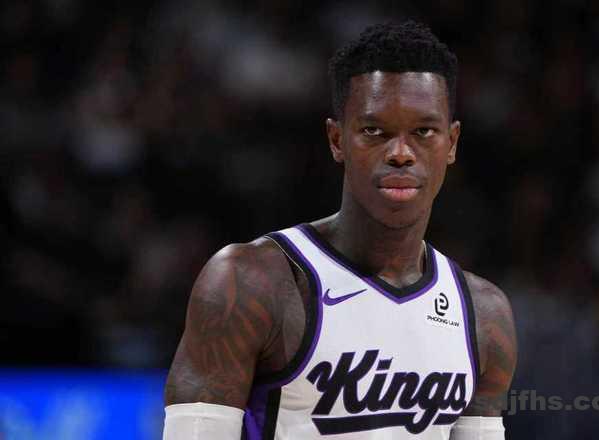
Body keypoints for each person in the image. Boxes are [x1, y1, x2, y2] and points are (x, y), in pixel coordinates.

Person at [163, 20, 517, 440]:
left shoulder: (484, 314)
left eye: (424, 132)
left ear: (452, 142)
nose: (401, 153)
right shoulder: (250, 282)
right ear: (337, 139)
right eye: (374, 131)